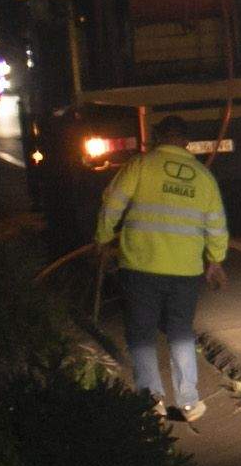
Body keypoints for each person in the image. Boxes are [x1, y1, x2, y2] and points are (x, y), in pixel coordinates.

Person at [95, 115, 229, 422]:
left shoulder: (140, 166)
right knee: (181, 332)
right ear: (185, 142)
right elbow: (216, 223)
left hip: (140, 266)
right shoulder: (202, 176)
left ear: (156, 138)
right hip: (185, 271)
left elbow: (112, 203)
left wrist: (102, 239)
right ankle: (189, 402)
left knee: (142, 333)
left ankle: (151, 399)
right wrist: (215, 260)